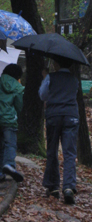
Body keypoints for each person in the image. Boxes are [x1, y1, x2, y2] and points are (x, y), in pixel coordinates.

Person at [39, 56, 79, 204]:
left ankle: (53, 186)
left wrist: (45, 78)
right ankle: (69, 187)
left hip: (54, 116)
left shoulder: (51, 77)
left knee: (52, 151)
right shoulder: (74, 80)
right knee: (69, 153)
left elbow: (42, 95)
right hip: (71, 116)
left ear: (56, 63)